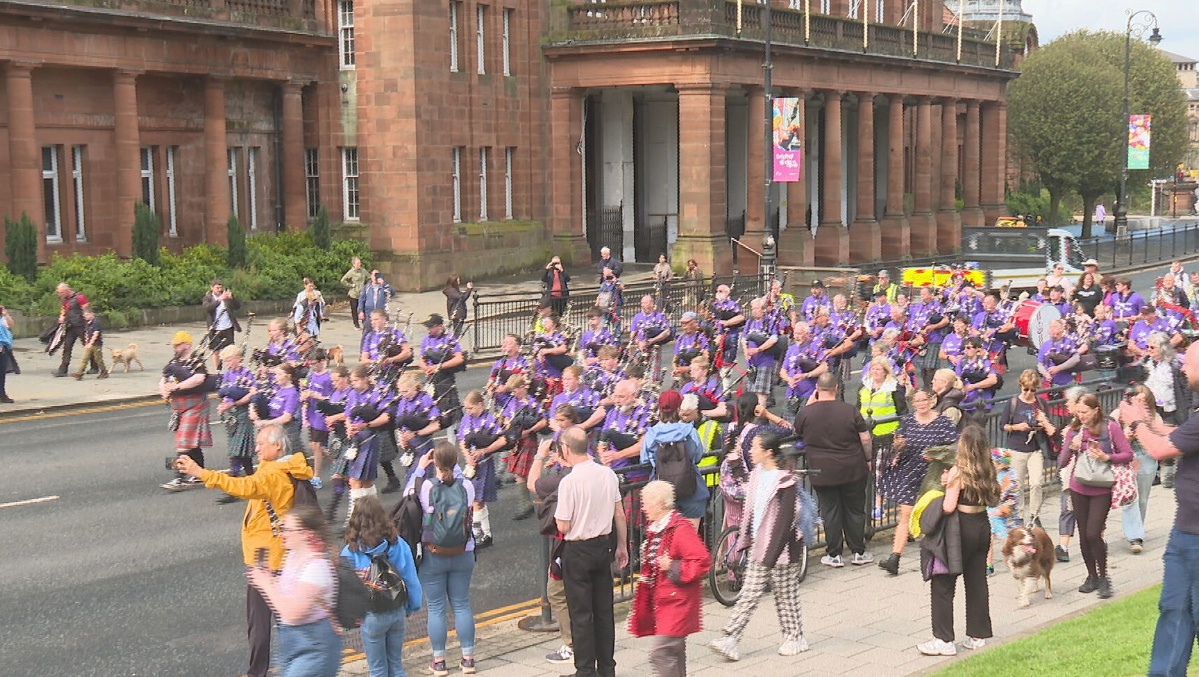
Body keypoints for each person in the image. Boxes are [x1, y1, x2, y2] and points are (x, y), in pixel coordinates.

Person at [175, 424, 314, 677]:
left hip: (266, 559)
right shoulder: (289, 467)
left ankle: (257, 672)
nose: (256, 448)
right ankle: (299, 666)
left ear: (278, 446)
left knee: (259, 625)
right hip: (284, 557)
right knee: (287, 620)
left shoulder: (273, 474)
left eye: (262, 443)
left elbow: (242, 487)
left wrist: (201, 472)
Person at [1119, 342, 1199, 674]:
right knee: (1174, 611)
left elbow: (1162, 451)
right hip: (1185, 534)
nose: (1182, 369)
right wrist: (1150, 421)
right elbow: (1181, 435)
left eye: (1188, 363)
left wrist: (1138, 425)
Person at [708, 426, 813, 662]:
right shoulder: (757, 473)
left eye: (755, 447)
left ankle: (794, 637)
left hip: (781, 548)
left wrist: (770, 556)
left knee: (784, 594)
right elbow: (748, 491)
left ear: (768, 452)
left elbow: (785, 520)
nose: (750, 450)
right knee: (754, 593)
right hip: (761, 544)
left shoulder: (785, 481)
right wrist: (735, 463)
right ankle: (732, 637)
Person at [916, 424, 999, 657]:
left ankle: (943, 640)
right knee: (976, 581)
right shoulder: (988, 468)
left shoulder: (958, 471)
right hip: (981, 525)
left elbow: (949, 505)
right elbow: (993, 499)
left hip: (958, 527)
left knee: (943, 583)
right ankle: (977, 634)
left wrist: (946, 484)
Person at [555, 425, 629, 677]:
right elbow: (619, 513)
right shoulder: (607, 474)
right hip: (604, 546)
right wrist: (622, 546)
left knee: (581, 614)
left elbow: (563, 525)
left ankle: (585, 671)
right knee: (603, 611)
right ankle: (607, 669)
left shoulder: (569, 482)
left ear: (566, 449)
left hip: (577, 550)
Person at [246, 504, 341, 677]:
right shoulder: (292, 556)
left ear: (306, 534)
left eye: (288, 529)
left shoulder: (316, 567)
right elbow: (290, 596)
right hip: (292, 641)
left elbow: (292, 613)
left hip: (314, 646)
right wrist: (271, 580)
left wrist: (267, 584)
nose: (282, 533)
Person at [628, 480, 711, 677]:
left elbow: (702, 560)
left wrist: (672, 566)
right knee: (674, 653)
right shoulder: (658, 527)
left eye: (646, 503)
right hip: (666, 600)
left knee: (661, 653)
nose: (643, 508)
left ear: (659, 504)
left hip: (678, 601)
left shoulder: (680, 529)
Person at [409, 442, 479, 677]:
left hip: (434, 553)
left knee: (436, 608)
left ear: (435, 463)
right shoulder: (467, 486)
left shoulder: (427, 486)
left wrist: (420, 468)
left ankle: (439, 662)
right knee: (461, 604)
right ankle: (468, 660)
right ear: (456, 462)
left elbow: (408, 496)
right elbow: (455, 480)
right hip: (464, 550)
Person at [1058, 393, 1134, 599]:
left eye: (1085, 412)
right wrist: (1071, 445)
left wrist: (1107, 457)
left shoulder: (1110, 428)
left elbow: (1128, 454)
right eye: (1078, 412)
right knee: (1083, 534)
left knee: (1094, 532)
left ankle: (1104, 576)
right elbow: (1061, 462)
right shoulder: (1074, 430)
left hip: (1102, 487)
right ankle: (1091, 576)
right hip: (1078, 485)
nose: (1081, 416)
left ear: (1096, 410)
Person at [795, 373, 873, 568]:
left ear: (817, 390)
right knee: (855, 509)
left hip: (822, 470)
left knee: (830, 511)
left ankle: (834, 554)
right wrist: (869, 458)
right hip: (852, 467)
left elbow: (797, 430)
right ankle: (858, 552)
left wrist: (809, 405)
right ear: (837, 388)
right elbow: (865, 438)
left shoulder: (807, 413)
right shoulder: (850, 410)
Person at [878, 387, 958, 575]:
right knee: (905, 515)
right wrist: (898, 445)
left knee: (934, 517)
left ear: (932, 400)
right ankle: (894, 558)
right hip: (909, 472)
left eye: (924, 400)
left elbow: (954, 448)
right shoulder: (907, 421)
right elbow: (898, 444)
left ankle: (942, 556)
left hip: (933, 477)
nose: (920, 404)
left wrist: (938, 457)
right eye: (916, 401)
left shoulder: (943, 422)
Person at [341, 494, 424, 677]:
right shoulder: (397, 543)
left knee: (378, 669)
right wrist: (412, 606)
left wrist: (350, 618)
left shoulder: (350, 551)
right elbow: (410, 577)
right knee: (396, 665)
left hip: (372, 615)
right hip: (397, 610)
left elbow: (347, 589)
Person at [527, 404, 581, 666]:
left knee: (556, 593)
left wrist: (539, 456)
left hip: (566, 547)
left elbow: (531, 484)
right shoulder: (595, 472)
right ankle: (587, 640)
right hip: (593, 546)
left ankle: (572, 644)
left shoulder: (562, 480)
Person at [641, 390, 710, 529]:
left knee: (665, 542)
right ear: (679, 407)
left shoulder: (652, 433)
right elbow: (697, 457)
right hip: (691, 489)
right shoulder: (690, 431)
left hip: (662, 491)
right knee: (690, 539)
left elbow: (645, 460)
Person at [1000, 369, 1058, 528]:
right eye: (1026, 389)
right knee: (1017, 484)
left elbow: (1048, 425)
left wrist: (1042, 423)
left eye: (1033, 390)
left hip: (1035, 448)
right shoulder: (1012, 403)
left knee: (1036, 482)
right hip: (1017, 448)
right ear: (1020, 386)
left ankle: (1034, 514)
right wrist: (1016, 427)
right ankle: (1018, 515)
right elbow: (1002, 426)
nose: (1028, 393)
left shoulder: (1041, 403)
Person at [159, 331, 214, 491]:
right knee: (193, 443)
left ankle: (178, 478)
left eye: (178, 344)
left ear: (187, 345)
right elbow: (164, 378)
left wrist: (177, 387)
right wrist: (164, 389)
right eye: (174, 345)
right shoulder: (174, 362)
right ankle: (200, 473)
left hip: (195, 404)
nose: (175, 347)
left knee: (183, 443)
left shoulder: (196, 361)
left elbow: (199, 378)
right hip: (179, 406)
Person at [1114, 384, 1160, 555]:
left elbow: (1160, 442)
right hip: (1127, 459)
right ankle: (1135, 536)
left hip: (1146, 459)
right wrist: (1124, 436)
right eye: (1137, 400)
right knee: (1130, 497)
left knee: (1142, 499)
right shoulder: (1119, 414)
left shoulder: (1154, 417)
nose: (1140, 404)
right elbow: (1110, 435)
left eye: (1144, 401)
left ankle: (1137, 528)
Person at [458, 390, 507, 548]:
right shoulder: (466, 419)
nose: (468, 411)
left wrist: (484, 451)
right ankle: (485, 534)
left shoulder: (490, 419)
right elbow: (461, 440)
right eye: (466, 408)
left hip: (485, 463)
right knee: (472, 500)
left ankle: (480, 534)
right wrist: (467, 456)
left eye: (471, 408)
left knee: (477, 501)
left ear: (481, 404)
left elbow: (502, 440)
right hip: (472, 464)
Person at [216, 345, 257, 504]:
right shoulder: (227, 375)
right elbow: (224, 393)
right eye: (225, 360)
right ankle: (254, 483)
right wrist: (224, 404)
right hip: (232, 416)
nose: (227, 363)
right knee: (243, 454)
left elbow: (252, 394)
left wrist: (234, 403)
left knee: (236, 452)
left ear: (238, 358)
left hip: (244, 414)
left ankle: (232, 489)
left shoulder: (248, 374)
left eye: (229, 359)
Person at [252, 363, 304, 454]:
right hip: (275, 430)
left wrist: (267, 423)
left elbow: (287, 417)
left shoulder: (292, 393)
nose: (276, 377)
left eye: (279, 374)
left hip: (286, 432)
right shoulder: (280, 390)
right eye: (276, 374)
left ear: (288, 376)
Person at [985, 447, 1020, 576]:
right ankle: (988, 564)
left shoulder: (1010, 476)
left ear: (1000, 464)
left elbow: (1013, 496)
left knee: (1006, 538)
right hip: (989, 511)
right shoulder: (989, 474)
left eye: (992, 461)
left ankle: (1015, 560)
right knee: (988, 539)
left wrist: (1004, 508)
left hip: (1004, 513)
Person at [202, 279, 243, 372]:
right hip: (215, 328)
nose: (220, 289)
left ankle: (232, 369)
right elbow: (208, 308)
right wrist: (219, 300)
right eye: (217, 287)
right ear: (212, 288)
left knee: (230, 350)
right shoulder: (207, 298)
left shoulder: (226, 296)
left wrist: (232, 297)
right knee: (215, 350)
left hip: (227, 327)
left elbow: (238, 306)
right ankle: (218, 370)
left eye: (221, 287)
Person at [52, 282, 89, 377]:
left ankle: (95, 366)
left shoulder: (79, 297)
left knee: (88, 346)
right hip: (70, 326)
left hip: (81, 325)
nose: (59, 295)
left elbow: (86, 309)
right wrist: (62, 316)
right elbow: (63, 309)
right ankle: (63, 369)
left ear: (66, 290)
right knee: (67, 347)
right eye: (59, 293)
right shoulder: (64, 299)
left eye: (61, 292)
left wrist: (89, 321)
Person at [70, 309, 108, 380]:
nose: (85, 316)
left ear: (92, 314)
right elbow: (87, 333)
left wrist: (91, 343)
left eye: (87, 315)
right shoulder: (87, 322)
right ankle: (80, 373)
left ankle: (104, 371)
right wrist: (86, 343)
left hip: (97, 344)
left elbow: (96, 333)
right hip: (89, 344)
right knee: (85, 358)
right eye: (84, 315)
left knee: (98, 359)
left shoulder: (96, 322)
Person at [341, 257, 370, 330]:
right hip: (354, 294)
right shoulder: (351, 272)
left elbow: (369, 278)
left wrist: (367, 286)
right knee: (354, 310)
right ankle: (356, 324)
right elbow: (343, 280)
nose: (359, 264)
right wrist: (351, 285)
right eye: (357, 263)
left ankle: (364, 323)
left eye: (360, 263)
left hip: (362, 293)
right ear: (354, 264)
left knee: (363, 309)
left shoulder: (363, 271)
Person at [0, 303, 14, 403]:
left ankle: (2, 394)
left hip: (4, 348)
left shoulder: (2, 319)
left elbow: (10, 324)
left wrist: (5, 314)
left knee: (2, 373)